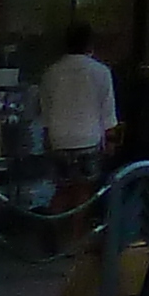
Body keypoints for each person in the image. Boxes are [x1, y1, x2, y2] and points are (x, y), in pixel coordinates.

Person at [40, 23, 122, 199]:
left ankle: (57, 224)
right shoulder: (101, 72)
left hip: (59, 139)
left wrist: (47, 138)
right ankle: (78, 226)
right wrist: (111, 141)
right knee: (83, 192)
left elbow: (45, 111)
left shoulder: (51, 72)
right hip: (88, 138)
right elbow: (108, 112)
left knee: (61, 190)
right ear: (90, 44)